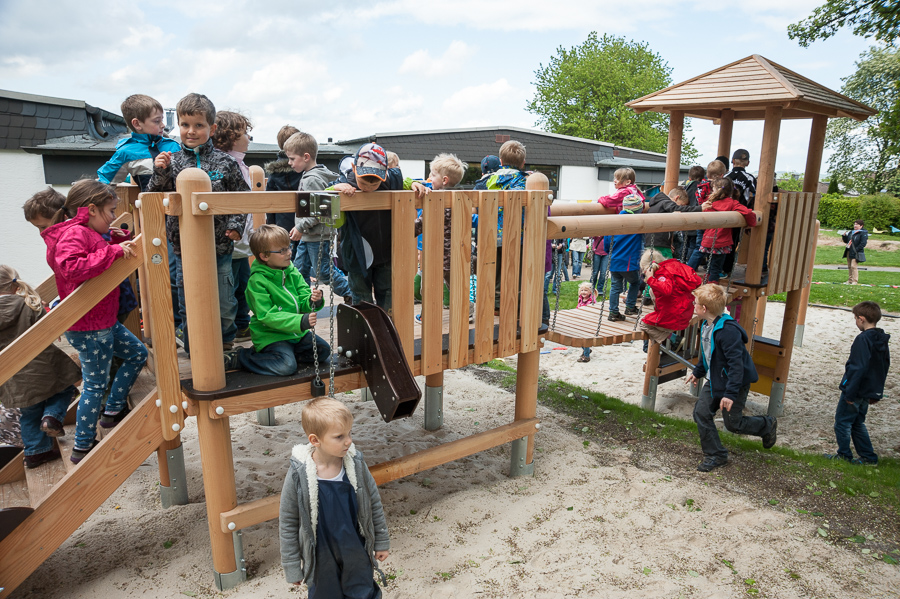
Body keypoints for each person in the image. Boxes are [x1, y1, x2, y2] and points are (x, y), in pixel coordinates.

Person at [41, 180, 148, 464]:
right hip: (89, 327)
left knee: (138, 354)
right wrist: (111, 251)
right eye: (110, 211)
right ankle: (83, 447)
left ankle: (112, 412)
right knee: (94, 385)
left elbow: (93, 255)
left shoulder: (87, 231)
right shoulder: (75, 233)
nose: (114, 216)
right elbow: (72, 267)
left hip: (102, 320)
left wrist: (112, 242)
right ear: (91, 209)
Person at [148, 93, 249, 353]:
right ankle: (195, 348)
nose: (191, 131)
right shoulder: (171, 161)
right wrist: (159, 171)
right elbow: (154, 196)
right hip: (185, 246)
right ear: (178, 126)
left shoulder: (225, 162)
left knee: (224, 300)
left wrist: (236, 226)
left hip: (220, 244)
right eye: (185, 125)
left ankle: (225, 343)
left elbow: (241, 196)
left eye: (199, 125)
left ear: (212, 129)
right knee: (189, 298)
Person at [280, 397, 390, 598]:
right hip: (321, 556)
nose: (348, 441)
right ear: (315, 440)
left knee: (363, 591)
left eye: (350, 433)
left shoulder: (355, 465)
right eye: (339, 436)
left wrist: (381, 541)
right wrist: (292, 566)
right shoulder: (299, 474)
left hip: (354, 548)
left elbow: (373, 503)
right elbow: (288, 521)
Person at [685, 284, 776, 472]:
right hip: (715, 380)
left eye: (695, 303)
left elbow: (737, 366)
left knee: (733, 424)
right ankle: (716, 454)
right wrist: (698, 372)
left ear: (704, 309)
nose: (693, 305)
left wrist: (730, 394)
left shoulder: (728, 332)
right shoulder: (706, 324)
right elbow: (708, 354)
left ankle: (767, 424)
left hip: (735, 382)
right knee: (701, 413)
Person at [0, 266, 81, 468]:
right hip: (44, 367)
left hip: (14, 377)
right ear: (14, 285)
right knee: (66, 388)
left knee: (29, 414)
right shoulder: (28, 303)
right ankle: (52, 417)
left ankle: (35, 453)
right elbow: (50, 329)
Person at [225, 225, 330, 376]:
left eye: (288, 247)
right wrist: (299, 321)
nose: (289, 253)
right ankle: (242, 357)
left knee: (323, 351)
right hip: (271, 336)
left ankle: (284, 356)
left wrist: (313, 300)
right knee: (286, 367)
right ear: (264, 256)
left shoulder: (291, 270)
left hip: (294, 334)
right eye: (282, 251)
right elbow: (267, 315)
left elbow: (303, 295)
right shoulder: (257, 281)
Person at [332, 143, 404, 311]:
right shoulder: (346, 182)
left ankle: (385, 327)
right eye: (364, 182)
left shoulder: (390, 180)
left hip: (385, 251)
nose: (369, 188)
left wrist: (414, 185)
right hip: (358, 253)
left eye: (375, 184)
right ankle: (365, 331)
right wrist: (336, 188)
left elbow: (403, 181)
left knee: (387, 293)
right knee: (360, 295)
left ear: (384, 173)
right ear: (354, 168)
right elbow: (325, 190)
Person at [285, 131, 353, 303]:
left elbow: (320, 210)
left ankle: (351, 293)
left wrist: (300, 226)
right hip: (309, 234)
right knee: (300, 269)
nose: (289, 163)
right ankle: (306, 300)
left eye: (292, 159)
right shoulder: (311, 176)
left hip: (317, 235)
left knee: (323, 271)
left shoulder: (312, 180)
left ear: (306, 157)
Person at [824, 301, 889, 465]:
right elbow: (882, 367)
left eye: (855, 318)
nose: (856, 322)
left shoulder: (862, 339)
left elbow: (857, 368)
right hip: (868, 390)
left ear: (861, 319)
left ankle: (844, 455)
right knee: (858, 423)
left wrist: (849, 392)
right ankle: (868, 457)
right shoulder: (881, 339)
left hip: (855, 390)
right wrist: (876, 393)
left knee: (842, 422)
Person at [410, 154, 473, 323]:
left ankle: (427, 315)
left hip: (436, 256)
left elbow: (419, 225)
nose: (429, 178)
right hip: (456, 256)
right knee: (457, 287)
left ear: (444, 180)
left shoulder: (436, 201)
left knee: (428, 288)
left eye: (432, 175)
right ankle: (467, 310)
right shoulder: (461, 199)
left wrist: (406, 228)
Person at [213, 110, 255, 340]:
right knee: (230, 288)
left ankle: (241, 324)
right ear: (230, 136)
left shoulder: (241, 164)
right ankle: (231, 330)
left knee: (242, 286)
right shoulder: (227, 165)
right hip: (230, 240)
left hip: (242, 241)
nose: (249, 138)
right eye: (245, 133)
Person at [97, 94, 180, 190]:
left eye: (162, 119)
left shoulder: (173, 146)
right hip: (149, 203)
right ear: (137, 124)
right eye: (157, 121)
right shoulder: (126, 152)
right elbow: (103, 183)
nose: (163, 125)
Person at [687, 178, 757, 283]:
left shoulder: (709, 203)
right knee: (716, 268)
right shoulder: (733, 203)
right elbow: (748, 213)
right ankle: (712, 285)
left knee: (709, 264)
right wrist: (751, 224)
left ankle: (699, 280)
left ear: (714, 190)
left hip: (707, 240)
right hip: (722, 242)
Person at [639, 248, 701, 345]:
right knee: (652, 290)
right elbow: (697, 281)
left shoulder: (661, 275)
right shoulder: (676, 266)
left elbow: (667, 290)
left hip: (673, 317)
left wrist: (651, 278)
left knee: (643, 323)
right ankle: (670, 337)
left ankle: (673, 339)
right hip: (686, 312)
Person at [603, 194, 644, 321]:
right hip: (628, 262)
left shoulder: (614, 221)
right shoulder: (638, 224)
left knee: (615, 286)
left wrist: (608, 251)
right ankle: (630, 306)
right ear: (638, 211)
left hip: (614, 261)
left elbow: (606, 241)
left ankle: (613, 312)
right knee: (635, 282)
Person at [265, 125, 304, 241]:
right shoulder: (303, 167)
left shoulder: (274, 171)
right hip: (303, 219)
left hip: (281, 220)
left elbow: (269, 197)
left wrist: (271, 224)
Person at [842, 220, 868, 285]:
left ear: (861, 226)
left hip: (856, 252)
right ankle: (850, 280)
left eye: (857, 224)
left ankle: (855, 281)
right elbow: (847, 241)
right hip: (849, 251)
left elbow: (863, 243)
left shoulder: (863, 233)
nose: (855, 225)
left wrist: (856, 249)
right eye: (854, 224)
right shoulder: (851, 232)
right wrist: (844, 236)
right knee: (849, 266)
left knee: (853, 266)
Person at [575, 281, 596, 363]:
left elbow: (592, 312)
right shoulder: (580, 298)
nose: (583, 292)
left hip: (588, 322)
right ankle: (586, 350)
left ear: (590, 292)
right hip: (580, 320)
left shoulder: (591, 301)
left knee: (585, 339)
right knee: (579, 338)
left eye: (586, 290)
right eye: (582, 290)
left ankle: (586, 356)